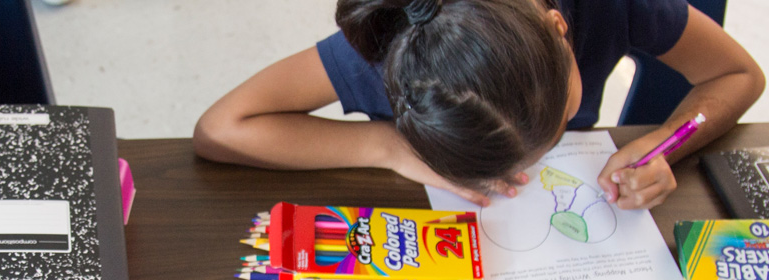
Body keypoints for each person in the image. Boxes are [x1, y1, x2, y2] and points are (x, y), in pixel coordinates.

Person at [194, 0, 763, 210]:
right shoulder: (395, 44)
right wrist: (387, 147)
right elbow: (222, 127)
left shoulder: (611, 5)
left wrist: (666, 141)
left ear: (560, 29)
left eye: (562, 121)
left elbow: (739, 74)